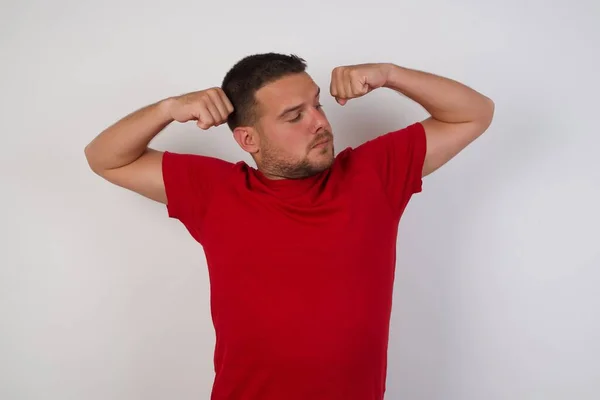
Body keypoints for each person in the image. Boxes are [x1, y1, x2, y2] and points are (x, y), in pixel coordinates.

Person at [84, 53, 494, 400]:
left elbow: (473, 114)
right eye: (294, 116)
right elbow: (105, 158)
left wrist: (390, 74)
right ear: (249, 140)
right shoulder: (214, 192)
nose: (319, 123)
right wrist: (167, 109)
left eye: (318, 106)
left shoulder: (373, 175)